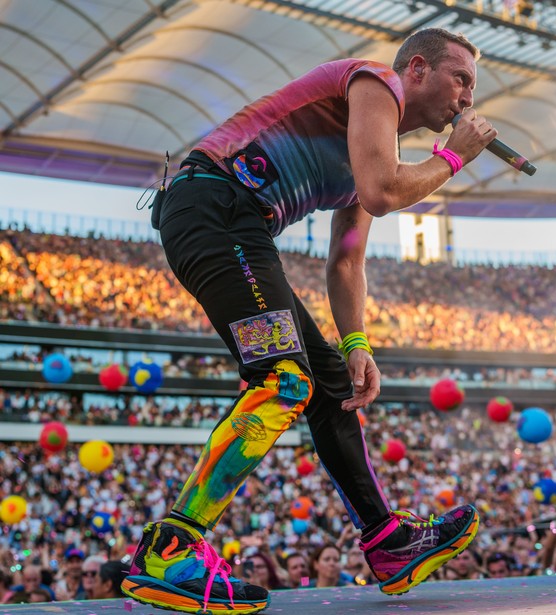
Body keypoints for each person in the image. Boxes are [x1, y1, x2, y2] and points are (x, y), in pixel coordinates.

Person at [123, 26, 494, 614]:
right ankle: (170, 550)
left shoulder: (372, 143)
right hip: (216, 206)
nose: (467, 99)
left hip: (236, 223)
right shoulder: (377, 82)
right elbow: (381, 193)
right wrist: (454, 157)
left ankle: (388, 542)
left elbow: (346, 259)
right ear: (418, 69)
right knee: (283, 380)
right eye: (462, 79)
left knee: (328, 387)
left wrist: (355, 342)